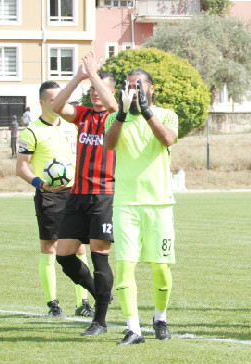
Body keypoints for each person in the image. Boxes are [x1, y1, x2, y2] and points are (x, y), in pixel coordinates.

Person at [104, 69, 178, 345]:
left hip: (159, 204)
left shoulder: (167, 114)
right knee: (125, 267)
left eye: (137, 86)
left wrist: (147, 112)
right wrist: (122, 114)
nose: (131, 90)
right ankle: (133, 328)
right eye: (127, 86)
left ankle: (160, 318)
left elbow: (168, 139)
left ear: (151, 88)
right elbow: (109, 144)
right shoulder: (114, 117)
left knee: (161, 268)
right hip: (126, 204)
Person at [51, 52, 119, 336]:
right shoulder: (84, 116)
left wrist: (93, 74)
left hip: (104, 195)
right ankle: (101, 293)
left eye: (99, 89)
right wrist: (78, 77)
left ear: (110, 91)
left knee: (99, 256)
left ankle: (100, 321)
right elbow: (57, 106)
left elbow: (115, 106)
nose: (95, 95)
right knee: (64, 255)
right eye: (91, 91)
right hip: (77, 195)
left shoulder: (117, 118)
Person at [15, 81, 92, 318]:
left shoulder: (72, 127)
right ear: (41, 103)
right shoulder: (31, 131)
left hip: (75, 194)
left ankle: (84, 302)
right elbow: (21, 167)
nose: (58, 103)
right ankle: (53, 304)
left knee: (79, 247)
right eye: (52, 99)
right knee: (50, 247)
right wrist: (40, 183)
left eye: (62, 99)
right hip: (49, 196)